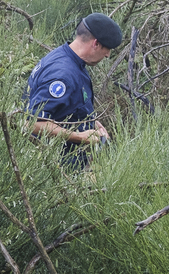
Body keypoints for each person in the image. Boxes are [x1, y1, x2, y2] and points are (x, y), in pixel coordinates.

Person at [26, 12, 124, 169]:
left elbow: (66, 107)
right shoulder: (63, 74)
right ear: (96, 44)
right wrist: (79, 136)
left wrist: (90, 123)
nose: (107, 55)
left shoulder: (70, 59)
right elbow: (33, 123)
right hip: (53, 169)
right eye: (107, 49)